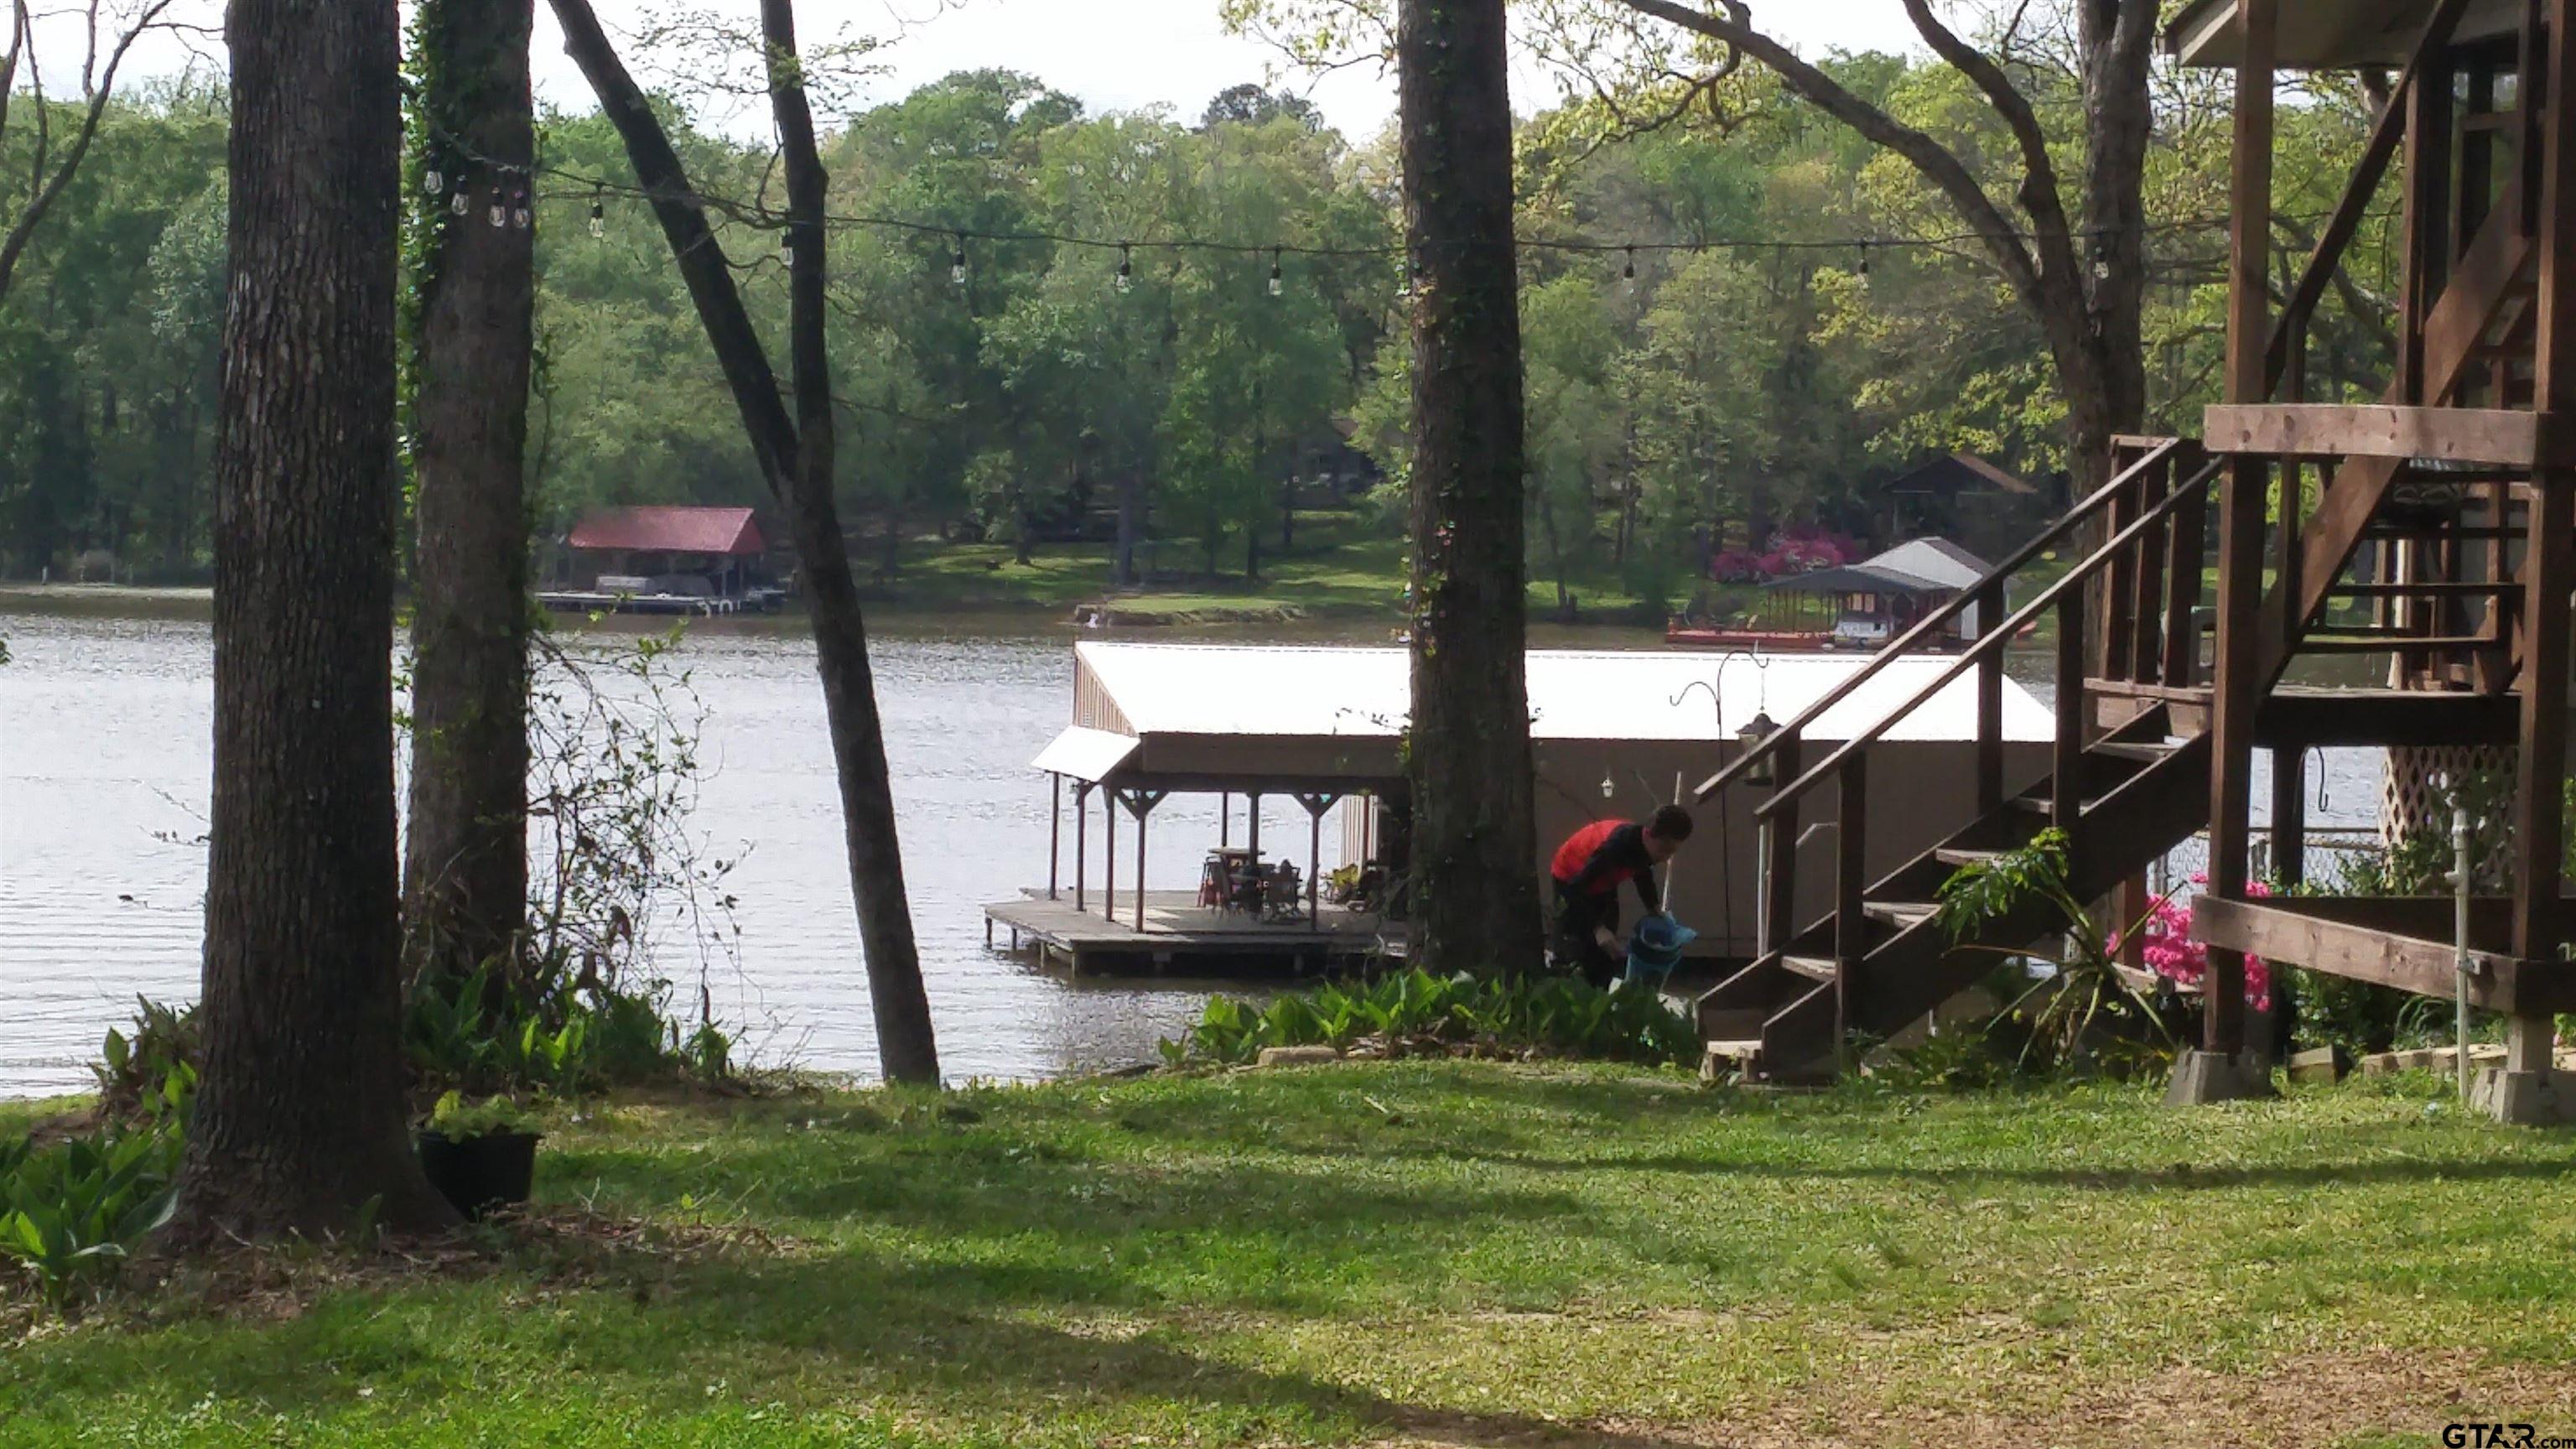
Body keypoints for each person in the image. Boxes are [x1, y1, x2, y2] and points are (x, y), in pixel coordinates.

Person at [1548, 804, 1693, 988]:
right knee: (1579, 943)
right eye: (1664, 849)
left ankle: (1601, 986)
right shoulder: (1615, 848)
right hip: (1572, 878)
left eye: (1672, 852)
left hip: (1602, 882)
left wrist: (1654, 908)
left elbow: (1643, 875)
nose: (1666, 858)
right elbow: (1576, 889)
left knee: (1608, 946)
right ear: (1649, 834)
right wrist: (1597, 929)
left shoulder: (1643, 847)